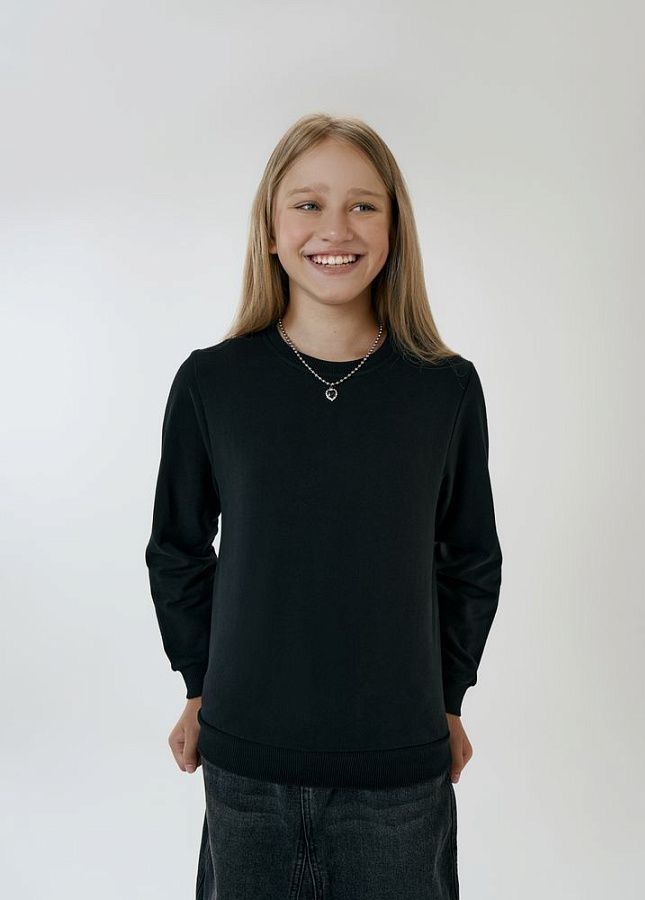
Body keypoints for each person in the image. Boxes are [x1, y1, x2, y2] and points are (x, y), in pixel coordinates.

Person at [144, 112, 503, 900]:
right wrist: (199, 682)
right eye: (307, 204)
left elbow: (469, 556)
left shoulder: (443, 387)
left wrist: (448, 697)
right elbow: (176, 546)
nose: (334, 229)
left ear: (393, 229)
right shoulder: (212, 382)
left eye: (362, 205)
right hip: (245, 765)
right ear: (270, 230)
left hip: (398, 771)